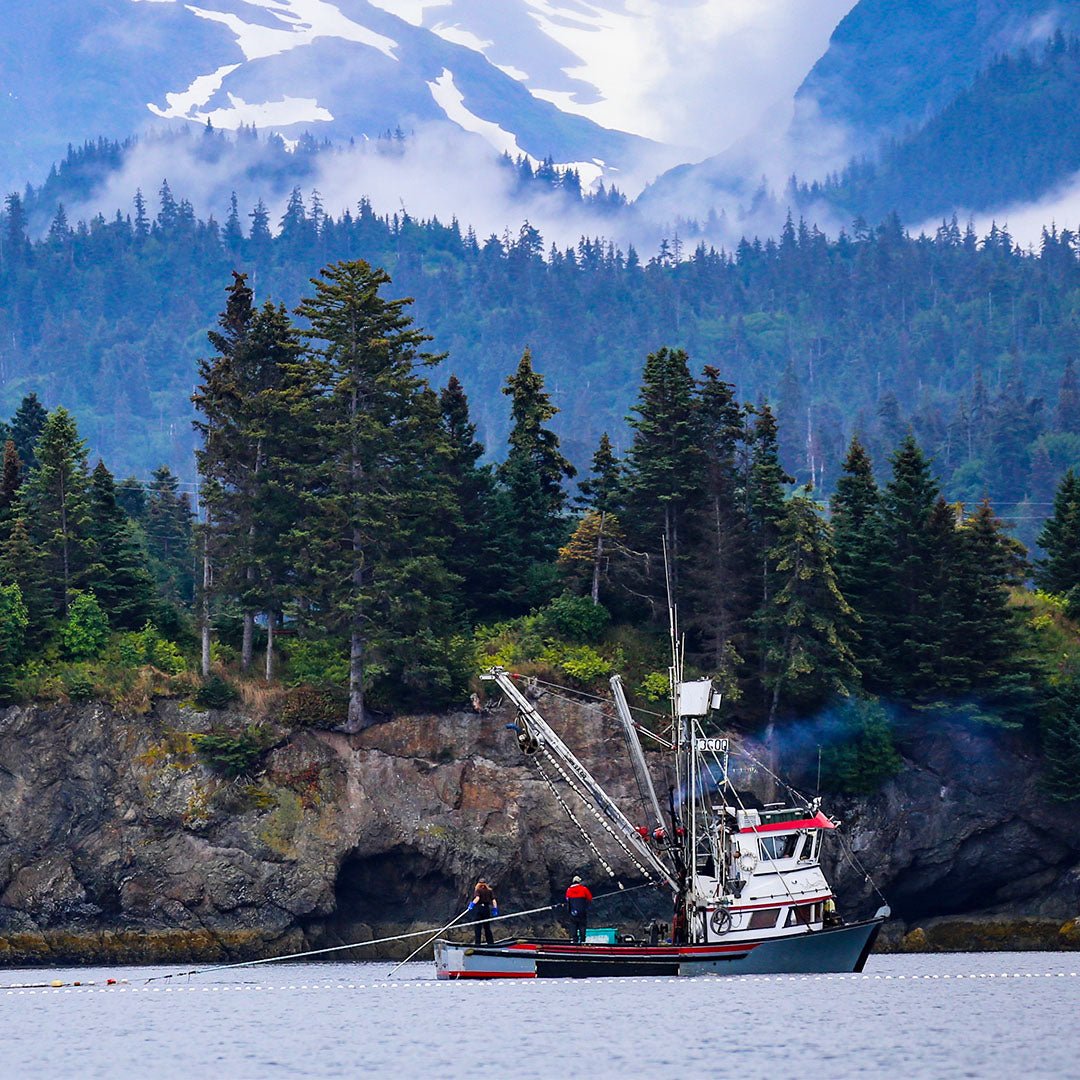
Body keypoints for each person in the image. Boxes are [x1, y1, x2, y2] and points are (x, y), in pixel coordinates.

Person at [468, 879, 498, 945]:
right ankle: (490, 943)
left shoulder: (478, 890)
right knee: (487, 927)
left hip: (479, 909)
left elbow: (477, 898)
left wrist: (472, 904)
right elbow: (494, 901)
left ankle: (477, 944)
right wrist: (495, 909)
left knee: (478, 927)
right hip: (486, 909)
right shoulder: (489, 891)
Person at [565, 875, 593, 944]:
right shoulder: (584, 889)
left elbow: (567, 900)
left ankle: (574, 940)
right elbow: (589, 898)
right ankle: (583, 940)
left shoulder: (569, 890)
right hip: (582, 912)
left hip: (573, 912)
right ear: (579, 882)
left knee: (573, 925)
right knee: (582, 925)